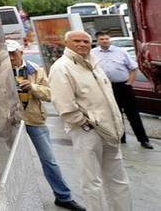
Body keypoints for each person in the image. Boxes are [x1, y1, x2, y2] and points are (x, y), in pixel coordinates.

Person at [49, 31, 131, 211]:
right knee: (92, 182)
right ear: (67, 43)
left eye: (86, 41)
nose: (82, 44)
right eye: (76, 41)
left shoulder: (93, 64)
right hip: (87, 132)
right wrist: (86, 125)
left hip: (109, 131)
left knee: (119, 180)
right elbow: (64, 104)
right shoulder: (61, 67)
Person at [6, 40, 85, 211]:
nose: (11, 57)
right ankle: (14, 200)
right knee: (12, 164)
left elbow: (51, 94)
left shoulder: (35, 69)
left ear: (21, 52)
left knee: (49, 160)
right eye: (7, 54)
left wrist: (33, 87)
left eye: (13, 53)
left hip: (35, 120)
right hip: (13, 123)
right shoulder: (2, 72)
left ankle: (63, 196)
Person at [90, 31, 154, 149]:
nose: (105, 41)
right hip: (107, 88)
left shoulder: (121, 52)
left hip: (124, 87)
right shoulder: (92, 54)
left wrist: (129, 83)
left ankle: (143, 140)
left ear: (110, 39)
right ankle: (121, 138)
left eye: (107, 38)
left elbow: (134, 68)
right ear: (97, 41)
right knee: (115, 114)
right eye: (102, 39)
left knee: (133, 114)